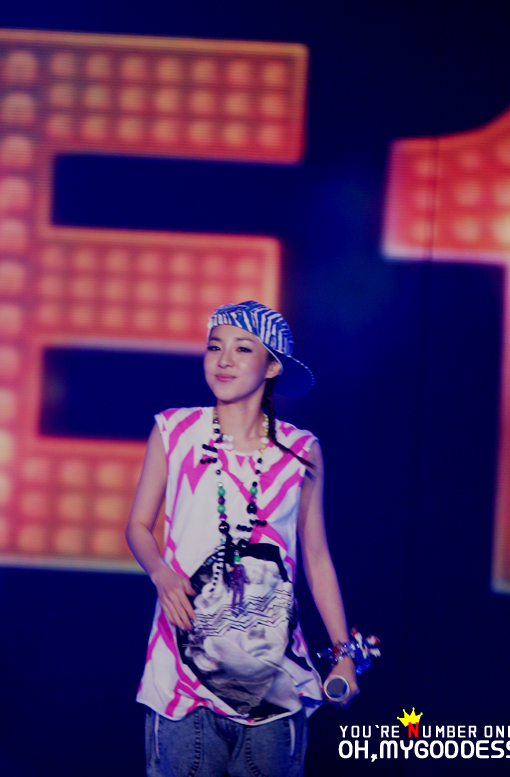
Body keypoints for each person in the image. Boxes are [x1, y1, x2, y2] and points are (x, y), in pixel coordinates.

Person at [126, 301, 359, 777]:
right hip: (181, 679)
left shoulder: (301, 450)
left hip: (273, 682)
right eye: (215, 347)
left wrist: (344, 655)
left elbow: (317, 558)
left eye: (242, 349)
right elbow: (138, 526)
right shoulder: (174, 430)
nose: (224, 360)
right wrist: (162, 574)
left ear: (272, 366)